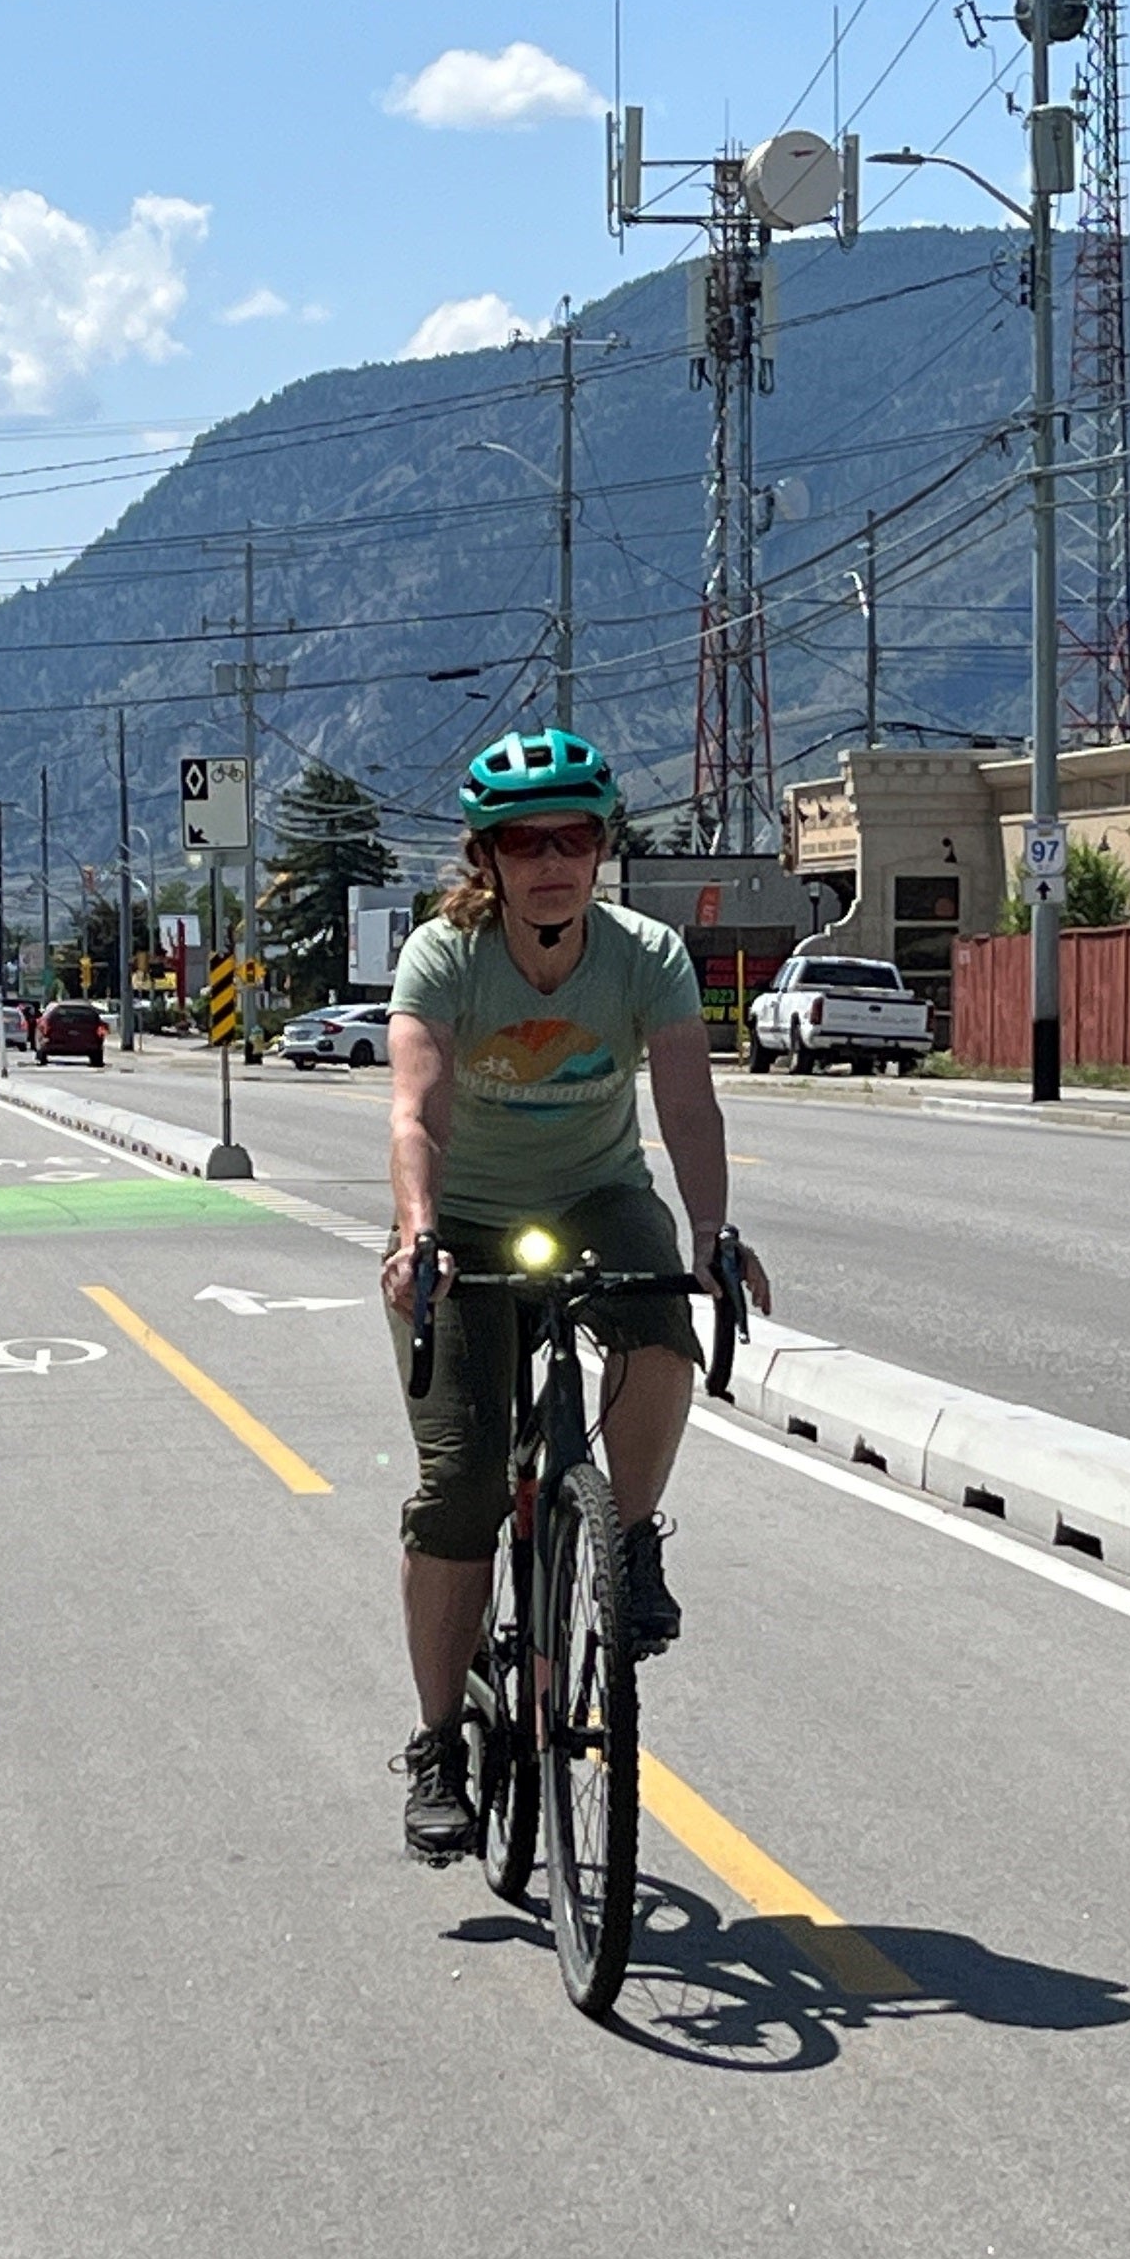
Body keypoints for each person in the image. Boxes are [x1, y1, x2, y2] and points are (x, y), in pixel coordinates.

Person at [381, 727, 771, 1865]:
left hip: (598, 1194)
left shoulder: (644, 953)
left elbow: (688, 1109)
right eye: (522, 840)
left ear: (602, 846)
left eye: (573, 835)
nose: (550, 860)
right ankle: (437, 1744)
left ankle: (629, 1537)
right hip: (459, 1218)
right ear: (487, 857)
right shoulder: (443, 957)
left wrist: (709, 1231)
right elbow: (418, 1116)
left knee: (660, 1330)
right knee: (457, 1487)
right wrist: (416, 1235)